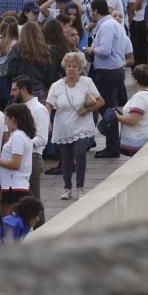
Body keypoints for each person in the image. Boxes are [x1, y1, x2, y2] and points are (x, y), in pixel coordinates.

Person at [45, 52, 102, 200]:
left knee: (80, 152)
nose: (71, 69)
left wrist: (88, 110)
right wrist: (47, 121)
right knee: (66, 158)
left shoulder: (87, 82)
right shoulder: (56, 86)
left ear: (80, 69)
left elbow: (101, 101)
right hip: (63, 126)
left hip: (82, 125)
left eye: (75, 66)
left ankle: (80, 187)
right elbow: (49, 106)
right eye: (69, 66)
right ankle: (67, 187)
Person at [85, 0, 130, 157]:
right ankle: (113, 145)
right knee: (108, 107)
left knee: (107, 108)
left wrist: (92, 49)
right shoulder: (110, 24)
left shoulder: (107, 26)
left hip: (108, 71)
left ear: (96, 11)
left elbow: (105, 50)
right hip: (113, 70)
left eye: (91, 11)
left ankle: (112, 147)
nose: (91, 14)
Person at [100, 64, 148, 156]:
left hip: (139, 141)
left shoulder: (141, 97)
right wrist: (122, 114)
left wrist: (116, 116)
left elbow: (132, 120)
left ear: (135, 79)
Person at [0, 103, 35, 216]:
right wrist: (0, 156)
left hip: (12, 186)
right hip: (17, 185)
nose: (5, 122)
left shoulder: (18, 136)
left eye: (6, 119)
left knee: (9, 221)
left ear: (13, 119)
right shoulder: (23, 135)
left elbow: (16, 164)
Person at [10, 76, 49, 206]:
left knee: (33, 201)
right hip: (18, 158)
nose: (11, 93)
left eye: (14, 90)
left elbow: (42, 139)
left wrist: (22, 144)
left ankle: (41, 226)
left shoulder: (39, 110)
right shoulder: (18, 107)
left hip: (33, 158)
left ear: (24, 90)